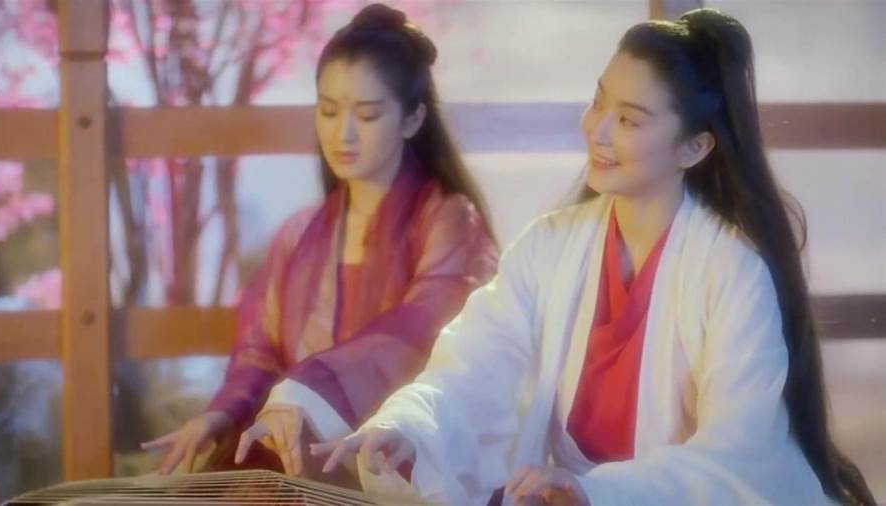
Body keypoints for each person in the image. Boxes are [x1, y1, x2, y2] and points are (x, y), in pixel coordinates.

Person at [313, 8, 874, 506]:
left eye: (629, 119)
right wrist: (408, 425)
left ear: (695, 146)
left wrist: (596, 492)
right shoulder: (549, 247)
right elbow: (473, 364)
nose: (597, 131)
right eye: (598, 101)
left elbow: (737, 454)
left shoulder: (731, 272)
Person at [141, 3, 498, 482]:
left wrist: (304, 393)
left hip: (397, 465)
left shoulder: (449, 221)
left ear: (413, 119)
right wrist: (222, 413)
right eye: (328, 111)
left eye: (367, 115)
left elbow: (420, 334)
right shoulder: (300, 232)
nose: (342, 133)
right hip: (298, 459)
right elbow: (261, 351)